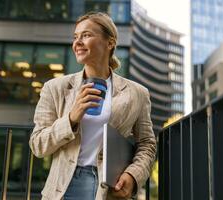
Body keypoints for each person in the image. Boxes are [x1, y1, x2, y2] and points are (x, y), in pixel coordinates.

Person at [29, 12, 156, 200]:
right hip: (65, 186)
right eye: (75, 37)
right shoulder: (55, 88)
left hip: (110, 188)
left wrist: (133, 175)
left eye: (86, 35)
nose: (77, 42)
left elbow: (147, 145)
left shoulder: (137, 93)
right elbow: (38, 145)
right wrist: (71, 118)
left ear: (110, 43)